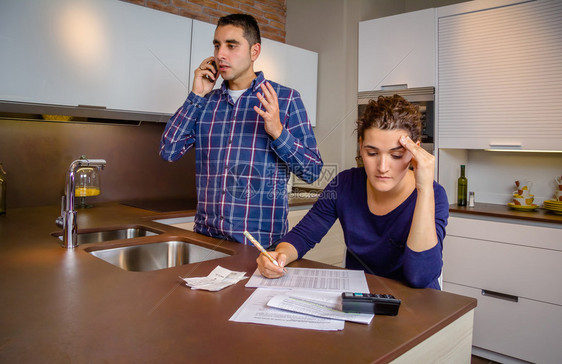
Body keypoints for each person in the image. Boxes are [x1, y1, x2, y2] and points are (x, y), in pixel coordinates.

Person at [160, 14, 322, 247]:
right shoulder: (205, 102)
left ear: (254, 51)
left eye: (231, 45)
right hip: (206, 240)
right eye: (217, 45)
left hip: (262, 246)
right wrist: (196, 95)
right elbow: (169, 150)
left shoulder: (285, 99)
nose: (220, 54)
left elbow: (312, 170)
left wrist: (278, 132)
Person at [257, 95, 448, 289]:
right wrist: (279, 256)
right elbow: (304, 235)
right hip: (359, 300)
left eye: (396, 155)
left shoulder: (434, 195)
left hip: (416, 308)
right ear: (361, 145)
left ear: (414, 150)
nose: (382, 167)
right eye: (372, 153)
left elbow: (420, 277)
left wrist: (424, 189)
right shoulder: (345, 184)